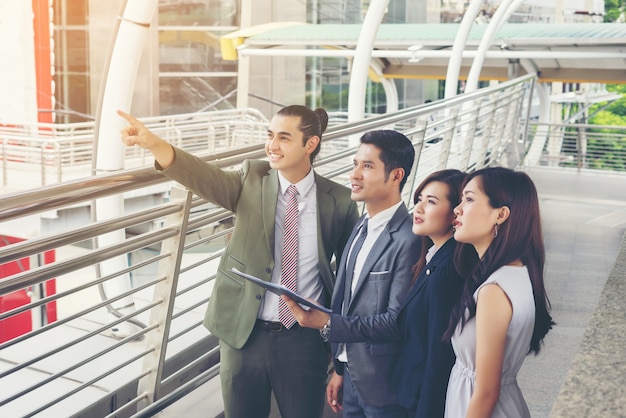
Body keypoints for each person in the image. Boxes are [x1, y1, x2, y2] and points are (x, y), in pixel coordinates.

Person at [118, 105, 360, 418]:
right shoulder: (252, 178)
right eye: (270, 135)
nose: (272, 145)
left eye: (284, 138)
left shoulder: (339, 200)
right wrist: (153, 143)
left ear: (310, 144)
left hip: (303, 340)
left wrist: (340, 350)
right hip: (244, 336)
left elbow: (349, 279)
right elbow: (202, 177)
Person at [282, 130, 421, 418]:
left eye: (367, 166)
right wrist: (340, 369)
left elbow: (396, 322)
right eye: (355, 164)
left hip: (384, 388)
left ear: (396, 176)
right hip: (352, 379)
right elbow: (347, 301)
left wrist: (328, 323)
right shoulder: (361, 225)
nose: (354, 175)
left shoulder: (409, 240)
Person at [443, 167, 554, 418]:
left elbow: (486, 392)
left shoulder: (494, 290)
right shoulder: (518, 270)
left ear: (501, 215)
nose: (457, 209)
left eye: (469, 199)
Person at [395, 169, 466, 418]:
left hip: (423, 403)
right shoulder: (433, 257)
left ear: (455, 213)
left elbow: (440, 353)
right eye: (419, 200)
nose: (419, 209)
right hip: (411, 394)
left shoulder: (447, 269)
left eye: (432, 202)